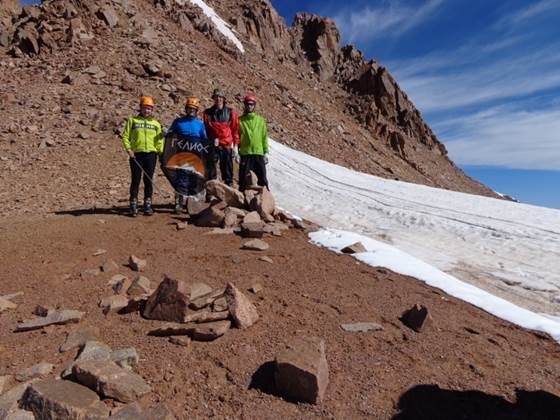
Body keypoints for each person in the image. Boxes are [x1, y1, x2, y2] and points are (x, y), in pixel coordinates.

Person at [122, 96, 164, 217]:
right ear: (140, 108)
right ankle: (133, 205)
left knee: (148, 180)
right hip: (136, 154)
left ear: (152, 110)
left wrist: (159, 152)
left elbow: (160, 140)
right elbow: (125, 136)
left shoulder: (156, 124)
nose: (147, 111)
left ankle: (147, 204)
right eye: (145, 108)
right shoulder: (133, 121)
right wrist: (129, 149)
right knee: (135, 180)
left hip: (151, 154)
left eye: (149, 109)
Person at [167, 97, 208, 214]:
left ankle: (192, 203)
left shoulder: (199, 124)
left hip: (195, 155)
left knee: (194, 179)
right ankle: (178, 203)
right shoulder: (178, 122)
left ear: (197, 111)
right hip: (181, 155)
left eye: (194, 109)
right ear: (186, 109)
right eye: (189, 108)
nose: (191, 110)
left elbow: (204, 139)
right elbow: (170, 134)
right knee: (181, 179)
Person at [203, 88, 239, 186]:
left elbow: (235, 130)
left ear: (223, 98)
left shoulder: (231, 113)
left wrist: (235, 146)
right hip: (213, 145)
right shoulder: (207, 113)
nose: (218, 99)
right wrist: (210, 140)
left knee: (227, 171)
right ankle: (210, 193)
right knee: (210, 170)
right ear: (213, 98)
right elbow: (206, 130)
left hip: (226, 146)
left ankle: (229, 190)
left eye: (220, 97)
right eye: (216, 97)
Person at [238, 94, 269, 192]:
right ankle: (241, 200)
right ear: (245, 105)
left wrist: (265, 152)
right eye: (247, 104)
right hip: (245, 153)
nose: (249, 106)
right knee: (243, 179)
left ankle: (266, 200)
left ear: (254, 106)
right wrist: (236, 150)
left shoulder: (260, 120)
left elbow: (264, 137)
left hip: (258, 153)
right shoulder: (240, 121)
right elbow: (237, 136)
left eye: (251, 104)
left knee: (262, 178)